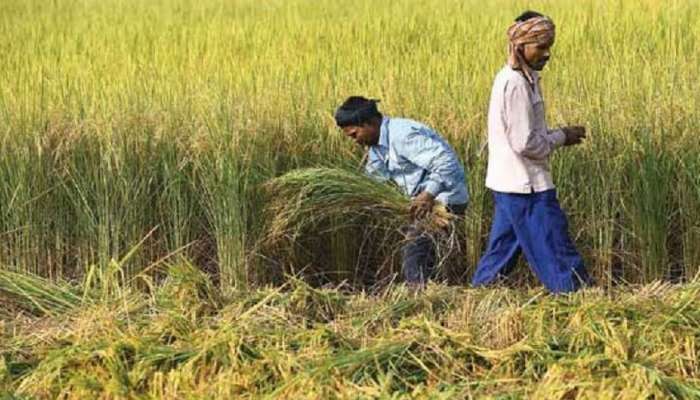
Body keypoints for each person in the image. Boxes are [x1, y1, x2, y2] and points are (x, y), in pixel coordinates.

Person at [471, 11, 591, 293]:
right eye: (540, 46)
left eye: (549, 45)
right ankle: (577, 299)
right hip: (526, 186)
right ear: (519, 45)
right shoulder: (514, 84)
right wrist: (562, 137)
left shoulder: (525, 77)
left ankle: (479, 295)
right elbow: (525, 143)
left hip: (510, 183)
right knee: (554, 244)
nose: (547, 53)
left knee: (502, 250)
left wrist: (558, 135)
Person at [334, 96, 469, 286]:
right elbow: (373, 179)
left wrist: (428, 195)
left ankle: (420, 300)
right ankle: (431, 290)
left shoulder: (403, 135)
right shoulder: (376, 146)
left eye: (355, 134)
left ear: (370, 123)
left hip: (443, 200)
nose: (355, 141)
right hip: (420, 203)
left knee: (413, 251)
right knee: (409, 247)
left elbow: (447, 162)